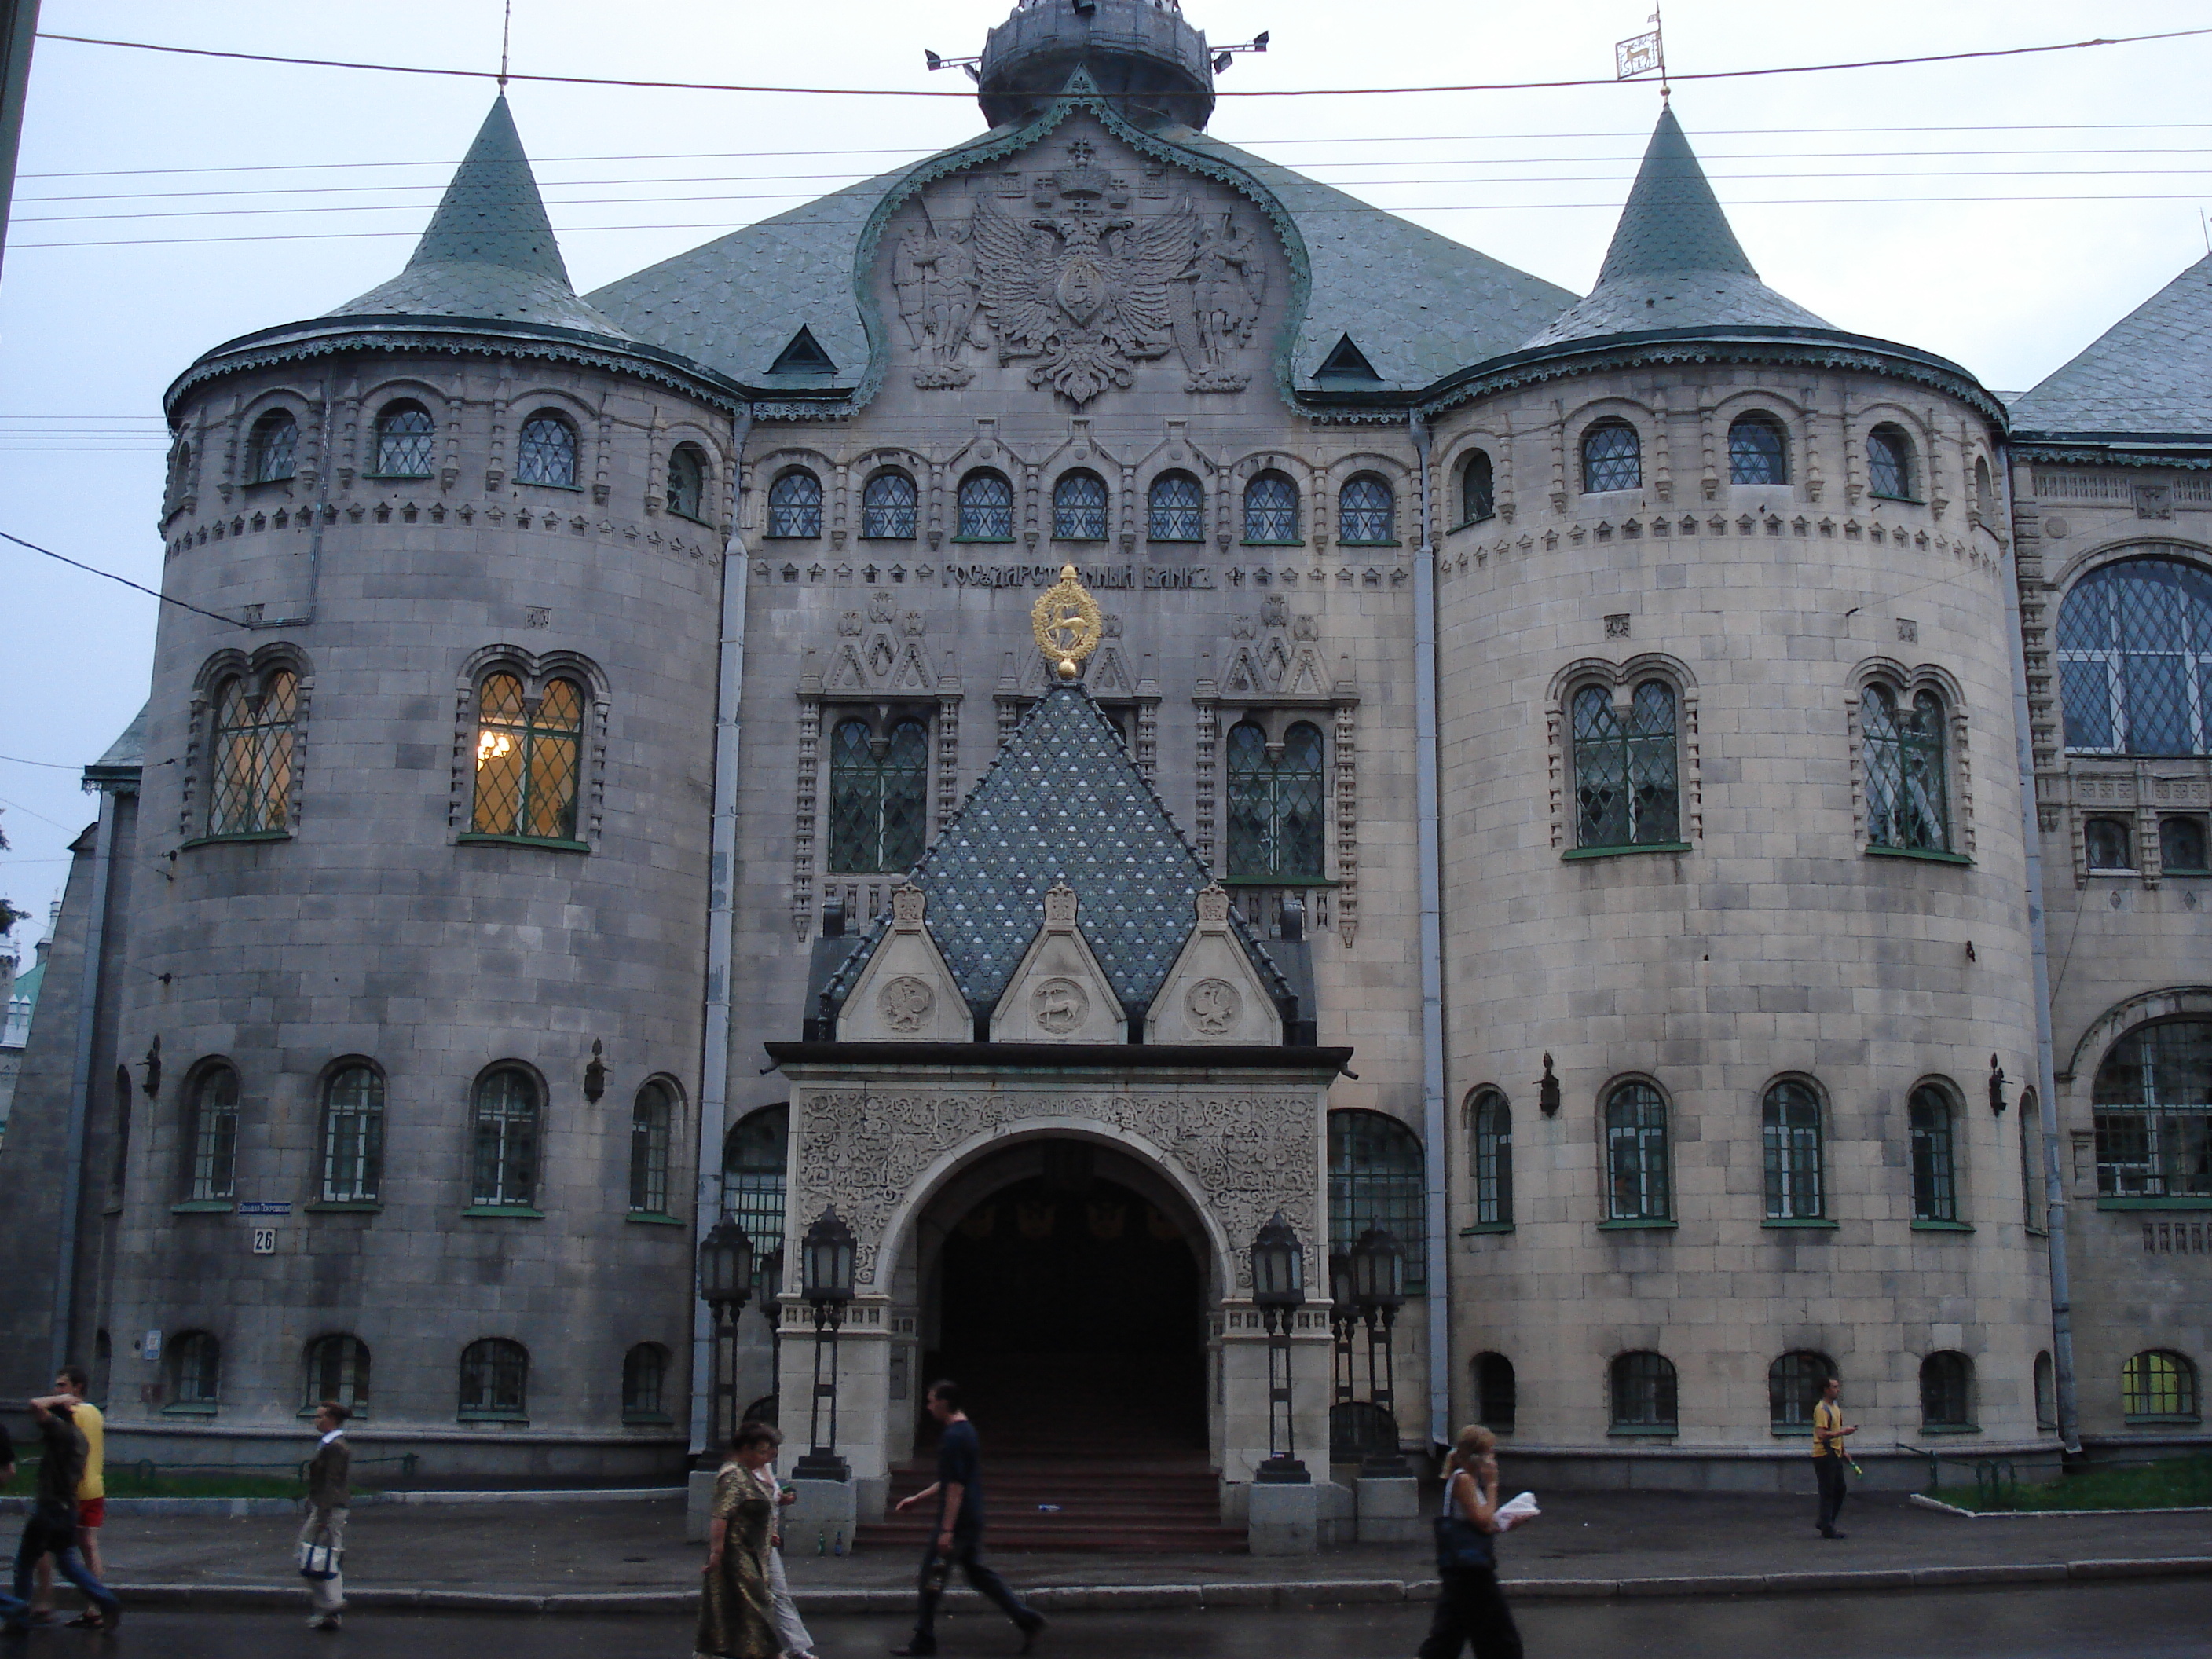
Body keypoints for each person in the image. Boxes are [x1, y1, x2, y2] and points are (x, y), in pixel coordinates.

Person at [890, 1380, 1045, 1658]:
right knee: (977, 1573)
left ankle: (924, 1640)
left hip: (957, 1524)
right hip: (971, 1519)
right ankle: (1026, 1619)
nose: (928, 1407)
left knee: (931, 1578)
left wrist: (947, 1530)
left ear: (944, 1403)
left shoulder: (954, 1437)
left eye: (931, 1401)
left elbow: (955, 1487)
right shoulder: (966, 1432)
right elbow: (950, 1479)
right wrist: (918, 1499)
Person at [6, 1395, 120, 1634]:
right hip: (68, 1507)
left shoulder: (60, 1432)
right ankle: (107, 1600)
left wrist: (59, 1399)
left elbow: (35, 1405)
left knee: (25, 1563)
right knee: (68, 1564)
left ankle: (17, 1613)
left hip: (49, 1509)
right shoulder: (80, 1438)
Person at [1416, 1424, 1522, 1659]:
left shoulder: (1468, 1481)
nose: (1493, 1459)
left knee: (1448, 1637)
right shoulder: (1463, 1480)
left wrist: (1508, 1522)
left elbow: (1483, 1524)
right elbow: (1482, 1519)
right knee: (1501, 1640)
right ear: (1477, 1457)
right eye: (1490, 1453)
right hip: (1469, 1570)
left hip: (1463, 1569)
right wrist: (1493, 1484)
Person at [696, 1419, 782, 1659]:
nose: (767, 1457)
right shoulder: (733, 1474)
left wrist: (769, 1532)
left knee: (737, 1605)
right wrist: (717, 1550)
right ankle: (770, 1653)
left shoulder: (749, 1474)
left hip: (753, 1548)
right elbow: (721, 1514)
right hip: (736, 1551)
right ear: (746, 1449)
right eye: (762, 1452)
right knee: (756, 1603)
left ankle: (727, 1650)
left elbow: (757, 1506)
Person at [29, 1365, 104, 1628]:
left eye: (62, 1386)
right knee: (89, 1547)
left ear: (77, 1388)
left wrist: (57, 1401)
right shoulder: (95, 1412)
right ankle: (96, 1607)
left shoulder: (69, 1412)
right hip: (95, 1488)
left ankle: (43, 1602)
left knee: (42, 1547)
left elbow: (38, 1408)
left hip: (69, 1492)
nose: (57, 1390)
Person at [755, 1436, 817, 1659]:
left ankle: (797, 1646)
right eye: (769, 1448)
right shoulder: (740, 1474)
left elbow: (771, 1498)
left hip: (768, 1544)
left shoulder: (767, 1469)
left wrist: (783, 1498)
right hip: (747, 1545)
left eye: (774, 1448)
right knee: (747, 1598)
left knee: (780, 1594)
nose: (774, 1452)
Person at [301, 1401, 352, 1631]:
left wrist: (322, 1514)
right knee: (328, 1558)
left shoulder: (336, 1447)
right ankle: (330, 1613)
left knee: (307, 1556)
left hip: (330, 1509)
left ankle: (331, 1605)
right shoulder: (330, 1444)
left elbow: (332, 1483)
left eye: (320, 1417)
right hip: (328, 1506)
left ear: (332, 1419)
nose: (316, 1421)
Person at [1812, 1374, 1856, 1539]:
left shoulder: (1835, 1408)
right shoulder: (1822, 1409)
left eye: (1837, 1387)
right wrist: (1844, 1432)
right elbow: (1822, 1434)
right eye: (1834, 1387)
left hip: (1834, 1454)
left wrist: (1844, 1451)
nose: (1837, 1390)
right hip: (1824, 1454)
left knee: (1840, 1489)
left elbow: (1836, 1433)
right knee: (1828, 1491)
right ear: (1826, 1389)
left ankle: (1825, 1521)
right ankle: (1827, 1527)